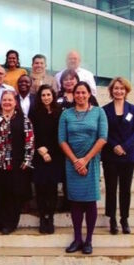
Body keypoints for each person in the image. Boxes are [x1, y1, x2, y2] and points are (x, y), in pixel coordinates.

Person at [59, 81, 108, 254]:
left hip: (91, 161)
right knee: (76, 202)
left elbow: (102, 138)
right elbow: (62, 140)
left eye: (83, 92)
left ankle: (89, 240)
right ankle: (77, 238)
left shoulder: (99, 112)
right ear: (73, 94)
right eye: (77, 92)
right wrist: (76, 161)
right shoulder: (66, 114)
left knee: (90, 202)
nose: (80, 95)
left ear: (89, 94)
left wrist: (85, 160)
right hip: (72, 162)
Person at [0, 90, 34, 235]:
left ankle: (9, 224)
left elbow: (29, 141)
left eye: (10, 100)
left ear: (15, 102)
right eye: (4, 100)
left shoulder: (24, 121)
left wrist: (27, 160)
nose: (7, 102)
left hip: (16, 166)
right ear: (1, 102)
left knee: (13, 196)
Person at [102, 77, 134, 235]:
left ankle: (124, 219)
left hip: (128, 156)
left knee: (125, 189)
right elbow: (103, 132)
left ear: (126, 91)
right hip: (110, 155)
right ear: (111, 90)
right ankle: (112, 218)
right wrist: (114, 145)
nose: (119, 91)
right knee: (111, 188)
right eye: (116, 88)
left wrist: (125, 146)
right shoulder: (105, 110)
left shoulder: (132, 109)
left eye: (122, 88)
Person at [31, 84, 63, 234]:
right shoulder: (35, 112)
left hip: (56, 156)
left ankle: (50, 217)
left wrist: (51, 152)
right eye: (43, 95)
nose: (46, 98)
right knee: (41, 187)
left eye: (48, 95)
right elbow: (31, 133)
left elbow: (61, 135)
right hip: (39, 155)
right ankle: (42, 216)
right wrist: (41, 150)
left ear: (53, 96)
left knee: (52, 188)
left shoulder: (59, 112)